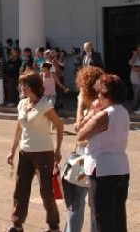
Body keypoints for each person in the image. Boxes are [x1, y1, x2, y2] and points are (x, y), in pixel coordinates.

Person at [6, 70, 63, 232]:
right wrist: (12, 150)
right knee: (20, 189)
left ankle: (53, 226)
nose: (21, 87)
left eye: (24, 84)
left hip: (44, 153)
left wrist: (58, 150)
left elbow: (60, 126)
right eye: (21, 84)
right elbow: (19, 127)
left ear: (33, 86)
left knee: (46, 192)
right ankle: (17, 224)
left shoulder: (45, 105)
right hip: (25, 152)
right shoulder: (22, 103)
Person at [77, 74, 129, 232]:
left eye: (99, 93)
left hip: (102, 170)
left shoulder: (104, 115)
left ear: (105, 93)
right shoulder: (123, 111)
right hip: (121, 168)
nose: (97, 96)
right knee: (118, 215)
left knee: (101, 217)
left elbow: (80, 134)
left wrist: (92, 111)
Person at [62, 66, 104, 232]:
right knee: (78, 205)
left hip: (91, 159)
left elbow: (80, 131)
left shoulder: (97, 106)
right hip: (86, 157)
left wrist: (79, 103)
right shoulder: (95, 106)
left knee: (88, 206)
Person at [128, 44, 140, 113]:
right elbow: (131, 64)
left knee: (137, 92)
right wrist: (135, 55)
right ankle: (135, 107)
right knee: (136, 93)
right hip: (134, 78)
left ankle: (135, 107)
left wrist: (136, 68)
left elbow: (134, 68)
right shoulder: (134, 56)